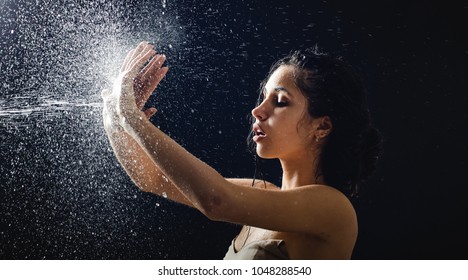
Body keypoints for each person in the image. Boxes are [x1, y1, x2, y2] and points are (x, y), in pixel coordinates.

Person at [102, 41, 382, 259]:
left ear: (322, 127)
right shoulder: (260, 191)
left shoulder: (334, 209)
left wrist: (132, 118)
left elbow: (215, 201)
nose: (258, 111)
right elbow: (151, 179)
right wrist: (116, 120)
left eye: (280, 101)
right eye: (263, 98)